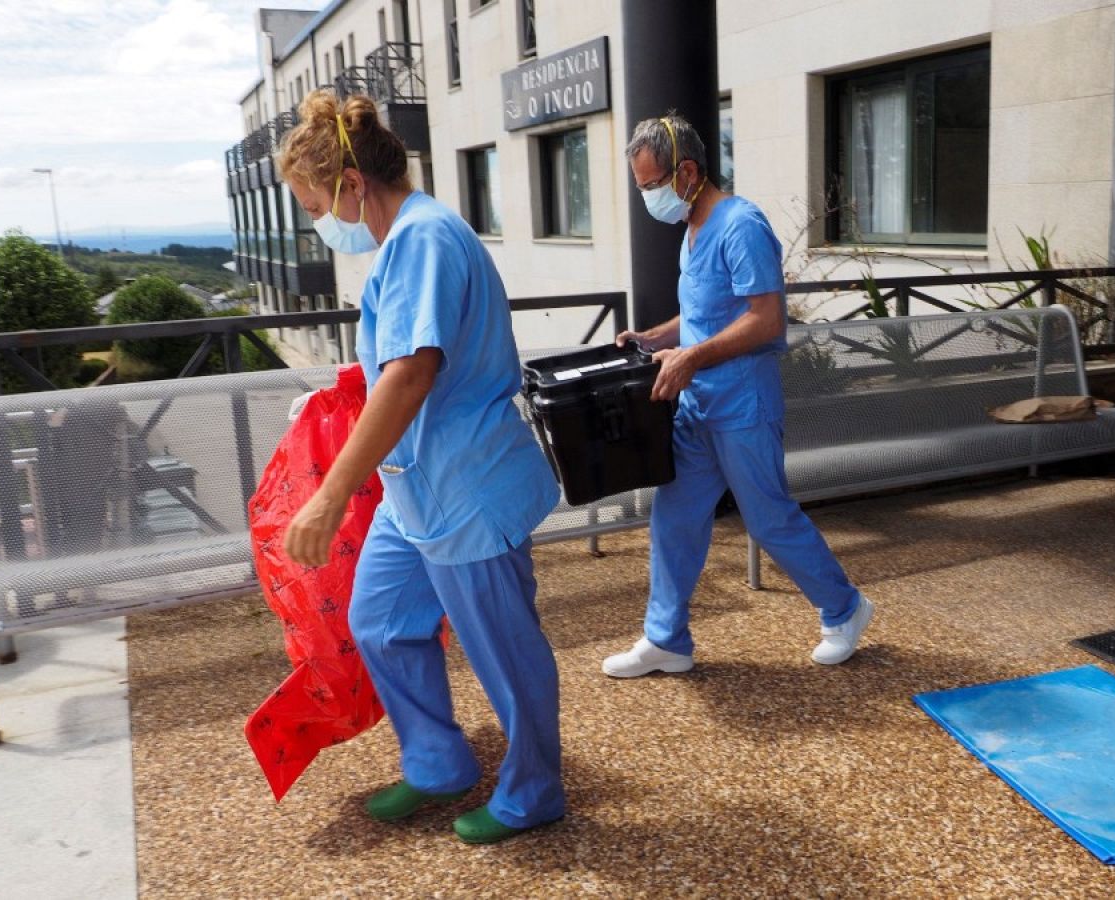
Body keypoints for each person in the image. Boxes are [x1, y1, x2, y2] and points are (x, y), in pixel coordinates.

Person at [278, 90, 564, 843]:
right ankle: (440, 764)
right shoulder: (410, 239)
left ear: (350, 184)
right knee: (379, 621)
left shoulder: (422, 239)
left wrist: (331, 494)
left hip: (465, 489)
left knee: (506, 653)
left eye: (314, 205)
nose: (318, 223)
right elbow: (395, 366)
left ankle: (535, 790)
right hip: (418, 492)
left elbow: (412, 372)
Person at [602, 113, 874, 677]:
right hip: (699, 404)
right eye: (643, 187)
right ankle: (667, 639)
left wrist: (692, 357)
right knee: (673, 519)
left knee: (770, 519)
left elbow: (766, 320)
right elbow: (705, 314)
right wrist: (654, 337)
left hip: (743, 404)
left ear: (689, 171)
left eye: (653, 185)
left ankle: (845, 609)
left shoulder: (740, 224)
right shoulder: (694, 230)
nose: (649, 196)